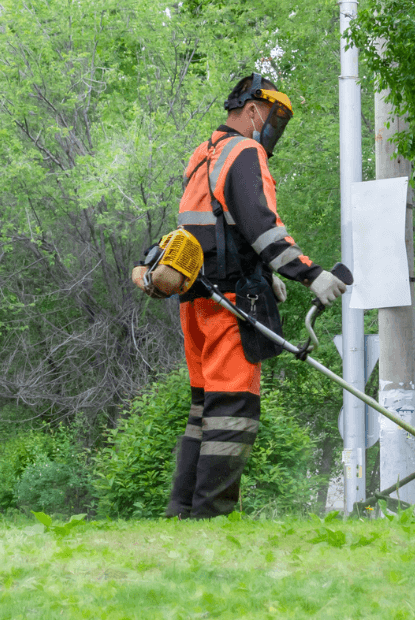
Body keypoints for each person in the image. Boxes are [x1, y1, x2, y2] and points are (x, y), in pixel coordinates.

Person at [164, 73, 346, 519]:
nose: (271, 131)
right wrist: (309, 274)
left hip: (195, 298)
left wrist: (264, 270)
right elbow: (262, 226)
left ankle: (181, 511)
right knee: (232, 411)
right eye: (270, 118)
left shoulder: (204, 154)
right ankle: (211, 517)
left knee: (204, 410)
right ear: (250, 111)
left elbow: (219, 225)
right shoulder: (245, 152)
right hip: (228, 303)